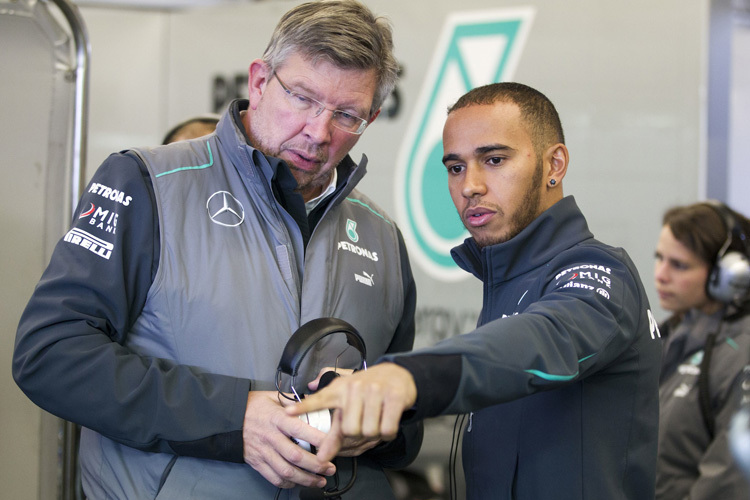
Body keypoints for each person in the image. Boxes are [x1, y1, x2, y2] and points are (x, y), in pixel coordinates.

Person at [12, 1, 422, 498]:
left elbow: (406, 417)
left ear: (372, 117)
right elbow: (51, 355)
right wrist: (233, 417)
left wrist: (376, 422)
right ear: (258, 81)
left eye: (347, 115)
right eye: (302, 98)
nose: (318, 131)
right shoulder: (148, 185)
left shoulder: (381, 236)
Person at [289, 82, 663, 499]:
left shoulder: (599, 272)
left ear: (554, 164)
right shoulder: (508, 280)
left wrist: (404, 377)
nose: (471, 185)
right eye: (456, 167)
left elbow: (541, 341)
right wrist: (372, 396)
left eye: (495, 159)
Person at [653, 201, 750, 499]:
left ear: (729, 275)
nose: (661, 274)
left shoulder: (739, 355)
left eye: (679, 265)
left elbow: (727, 483)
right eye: (660, 258)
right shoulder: (669, 335)